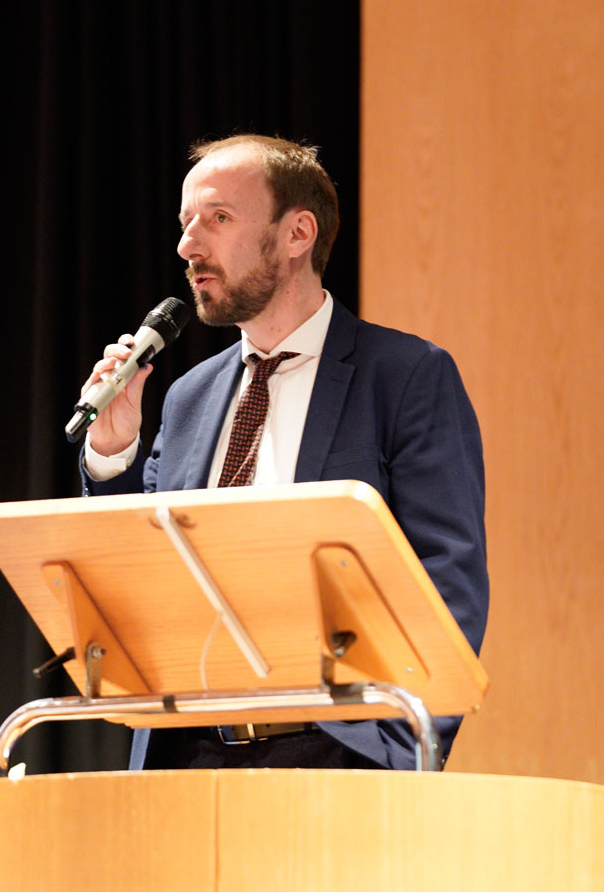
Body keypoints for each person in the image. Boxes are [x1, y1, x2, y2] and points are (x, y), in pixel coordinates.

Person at [78, 134, 487, 771]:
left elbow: (447, 575)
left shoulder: (404, 376)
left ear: (297, 233)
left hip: (338, 753)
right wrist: (113, 449)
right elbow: (139, 571)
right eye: (185, 223)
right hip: (184, 753)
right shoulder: (189, 396)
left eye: (217, 218)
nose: (187, 246)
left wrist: (406, 749)